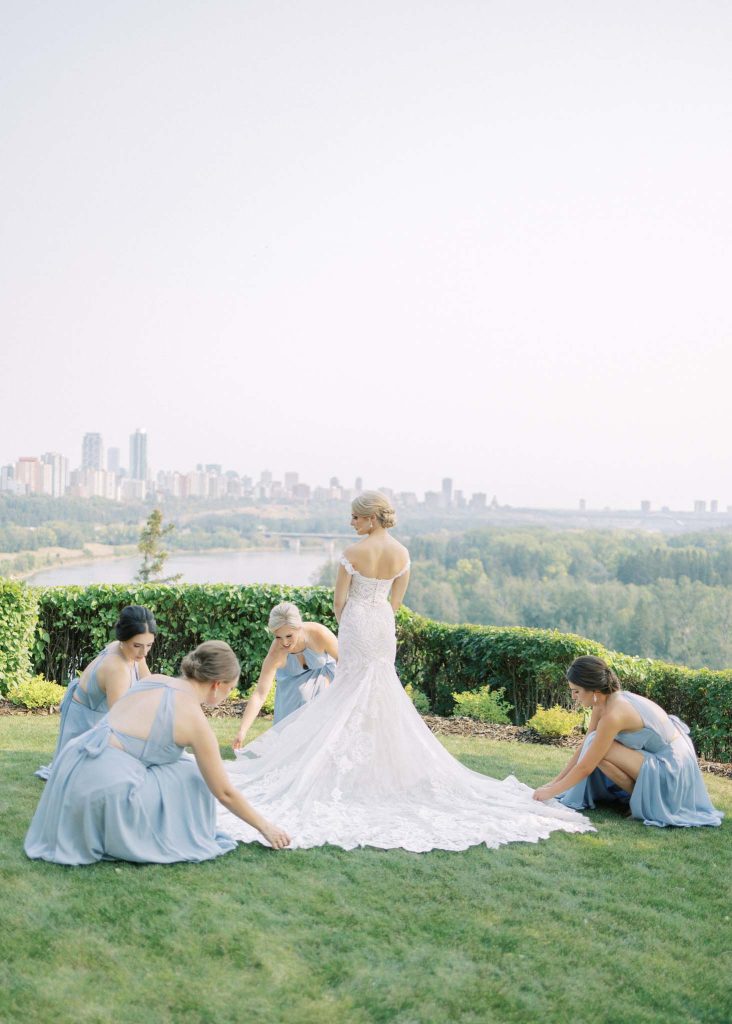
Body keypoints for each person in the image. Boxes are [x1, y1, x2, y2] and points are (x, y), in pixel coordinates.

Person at [218, 492, 594, 851]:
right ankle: (375, 766)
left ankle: (348, 766)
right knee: (380, 688)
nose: (351, 522)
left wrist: (351, 622)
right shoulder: (402, 554)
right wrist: (378, 616)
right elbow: (396, 602)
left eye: (355, 516)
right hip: (382, 623)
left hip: (357, 620)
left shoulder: (352, 553)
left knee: (351, 688)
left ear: (371, 517)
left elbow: (339, 602)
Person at [25, 640, 291, 865]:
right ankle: (162, 832)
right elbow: (223, 791)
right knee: (195, 777)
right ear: (216, 685)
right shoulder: (195, 721)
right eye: (230, 689)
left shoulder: (151, 680)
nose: (228, 695)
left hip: (71, 769)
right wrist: (264, 826)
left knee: (186, 766)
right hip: (103, 788)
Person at [533, 655, 723, 828]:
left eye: (576, 692)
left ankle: (645, 801)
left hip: (672, 766)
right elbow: (585, 745)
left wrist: (551, 793)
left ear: (594, 690)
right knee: (593, 744)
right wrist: (554, 783)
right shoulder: (603, 702)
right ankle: (638, 798)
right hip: (659, 757)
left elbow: (585, 767)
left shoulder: (614, 715)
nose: (573, 697)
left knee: (597, 748)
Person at [35, 605, 156, 780]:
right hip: (86, 727)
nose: (144, 652)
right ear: (123, 639)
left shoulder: (129, 651)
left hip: (98, 719)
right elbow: (119, 722)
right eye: (137, 645)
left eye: (149, 645)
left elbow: (148, 684)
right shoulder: (117, 669)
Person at [232, 602, 337, 750]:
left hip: (325, 677)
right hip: (291, 692)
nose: (285, 643)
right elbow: (260, 694)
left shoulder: (319, 634)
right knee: (290, 743)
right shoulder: (276, 653)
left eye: (289, 636)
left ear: (299, 628)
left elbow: (345, 660)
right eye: (278, 637)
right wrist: (242, 731)